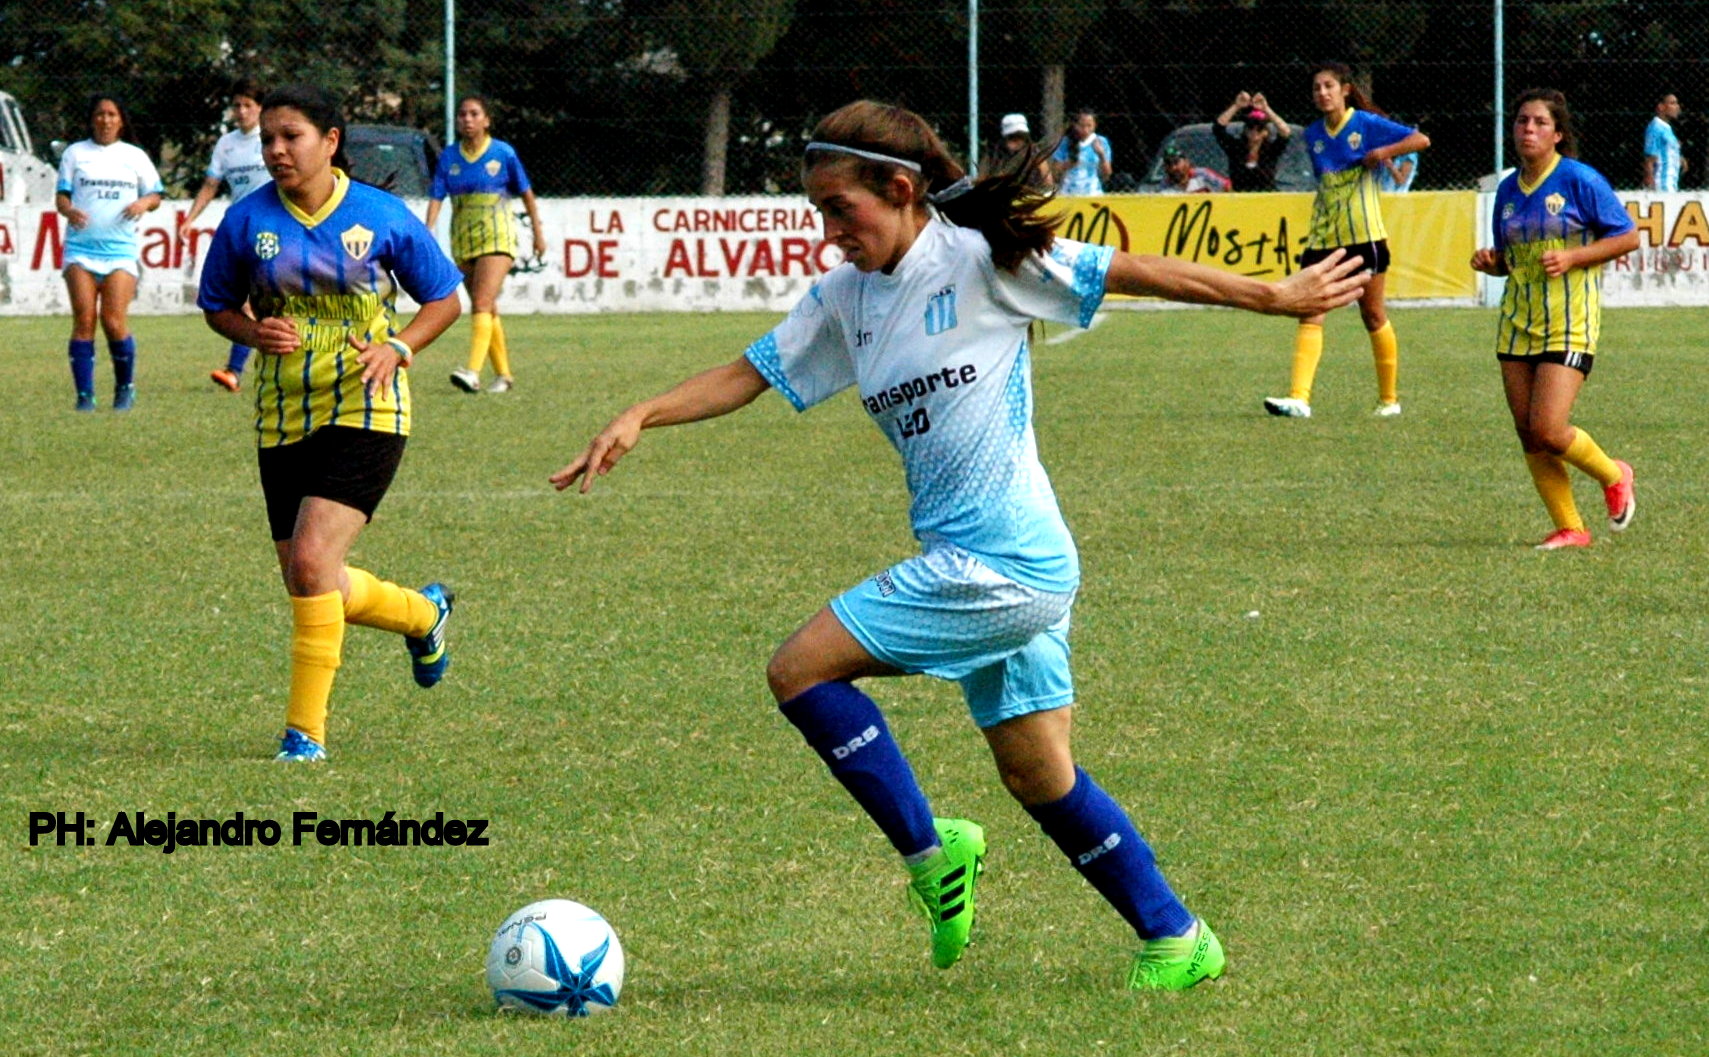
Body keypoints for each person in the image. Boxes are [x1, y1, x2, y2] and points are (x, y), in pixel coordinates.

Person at [551, 100, 1366, 989]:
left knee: (799, 670)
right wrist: (642, 413)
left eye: (839, 208)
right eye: (818, 212)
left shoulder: (979, 260)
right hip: (986, 567)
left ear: (900, 189)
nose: (828, 233)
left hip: (1006, 564)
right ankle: (1176, 937)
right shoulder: (843, 299)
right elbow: (749, 375)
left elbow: (1129, 270)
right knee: (1039, 775)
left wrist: (1273, 297)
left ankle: (931, 853)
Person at [197, 84, 465, 762]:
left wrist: (399, 345)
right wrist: (253, 336)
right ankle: (422, 613)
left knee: (315, 562)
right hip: (282, 408)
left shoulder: (381, 215)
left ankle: (303, 734)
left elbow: (445, 298)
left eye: (292, 137)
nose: (277, 150)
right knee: (308, 577)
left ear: (331, 140)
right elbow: (218, 306)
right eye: (269, 141)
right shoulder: (245, 219)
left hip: (367, 399)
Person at [1470, 88, 1638, 551]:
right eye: (1522, 121)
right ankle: (1571, 527)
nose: (1528, 129)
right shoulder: (1507, 189)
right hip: (1517, 322)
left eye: (1540, 123)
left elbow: (1627, 237)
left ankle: (1613, 473)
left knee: (1548, 427)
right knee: (1528, 433)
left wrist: (1575, 257)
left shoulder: (1580, 180)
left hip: (1570, 320)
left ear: (1558, 134)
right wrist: (1493, 262)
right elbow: (1512, 259)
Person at [1263, 62, 1431, 419]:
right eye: (1316, 88)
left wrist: (1382, 153)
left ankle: (1389, 400)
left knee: (1372, 314)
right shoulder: (1312, 134)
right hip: (1324, 236)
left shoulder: (1366, 125)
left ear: (1345, 90)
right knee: (1310, 310)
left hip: (1364, 236)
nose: (1322, 93)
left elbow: (1421, 140)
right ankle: (1299, 398)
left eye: (1328, 86)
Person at [425, 95, 545, 395]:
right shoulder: (450, 157)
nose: (467, 119)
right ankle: (504, 376)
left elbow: (527, 194)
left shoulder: (503, 153)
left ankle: (473, 372)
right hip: (464, 238)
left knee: (480, 302)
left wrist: (538, 234)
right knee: (487, 308)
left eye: (474, 114)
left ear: (486, 120)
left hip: (497, 236)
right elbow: (437, 197)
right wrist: (427, 230)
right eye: (463, 114)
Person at [55, 95, 162, 412]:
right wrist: (70, 211)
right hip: (81, 249)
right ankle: (85, 396)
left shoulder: (135, 156)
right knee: (84, 320)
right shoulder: (75, 153)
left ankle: (124, 389)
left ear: (121, 120)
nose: (105, 119)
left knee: (113, 322)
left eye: (111, 114)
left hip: (120, 251)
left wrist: (143, 203)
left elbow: (155, 194)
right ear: (92, 119)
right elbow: (61, 197)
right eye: (100, 114)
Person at [179, 78, 272, 393]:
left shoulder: (271, 139)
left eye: (248, 105)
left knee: (261, 301)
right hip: (241, 228)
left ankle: (238, 369)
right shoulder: (226, 144)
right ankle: (238, 369)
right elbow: (210, 185)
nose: (242, 111)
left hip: (274, 227)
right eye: (237, 106)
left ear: (260, 108)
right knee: (245, 301)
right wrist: (190, 218)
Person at [1214, 91, 1292, 192]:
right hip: (1240, 199)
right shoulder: (1235, 148)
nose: (1254, 131)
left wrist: (1266, 109)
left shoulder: (1271, 151)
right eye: (1250, 126)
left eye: (1259, 128)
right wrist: (1236, 106)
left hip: (1266, 199)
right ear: (1246, 130)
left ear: (1265, 132)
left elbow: (1286, 132)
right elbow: (1218, 128)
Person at [982, 112, 1051, 190]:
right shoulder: (996, 154)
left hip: (1032, 193)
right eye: (1013, 137)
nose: (1018, 141)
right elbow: (982, 180)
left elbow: (1048, 181)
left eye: (1021, 136)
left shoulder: (1034, 152)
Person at [1051, 109, 1112, 196]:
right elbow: (1055, 173)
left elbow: (1107, 174)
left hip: (1093, 193)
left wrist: (1101, 155)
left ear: (1095, 125)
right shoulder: (1065, 142)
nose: (1085, 130)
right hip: (1068, 193)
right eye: (1081, 126)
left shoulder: (1101, 142)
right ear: (1075, 125)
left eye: (1089, 126)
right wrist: (1066, 165)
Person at [1643, 92, 1683, 192]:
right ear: (1661, 107)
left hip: (1671, 183)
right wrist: (1650, 179)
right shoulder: (1655, 127)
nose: (1677, 107)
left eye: (1677, 103)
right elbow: (1649, 159)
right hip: (1661, 184)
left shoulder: (1666, 128)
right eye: (1672, 103)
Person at [1159, 146, 1229, 193]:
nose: (1173, 168)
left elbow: (1228, 186)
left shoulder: (1203, 175)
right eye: (1169, 164)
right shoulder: (1165, 185)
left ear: (1186, 162)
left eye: (1176, 162)